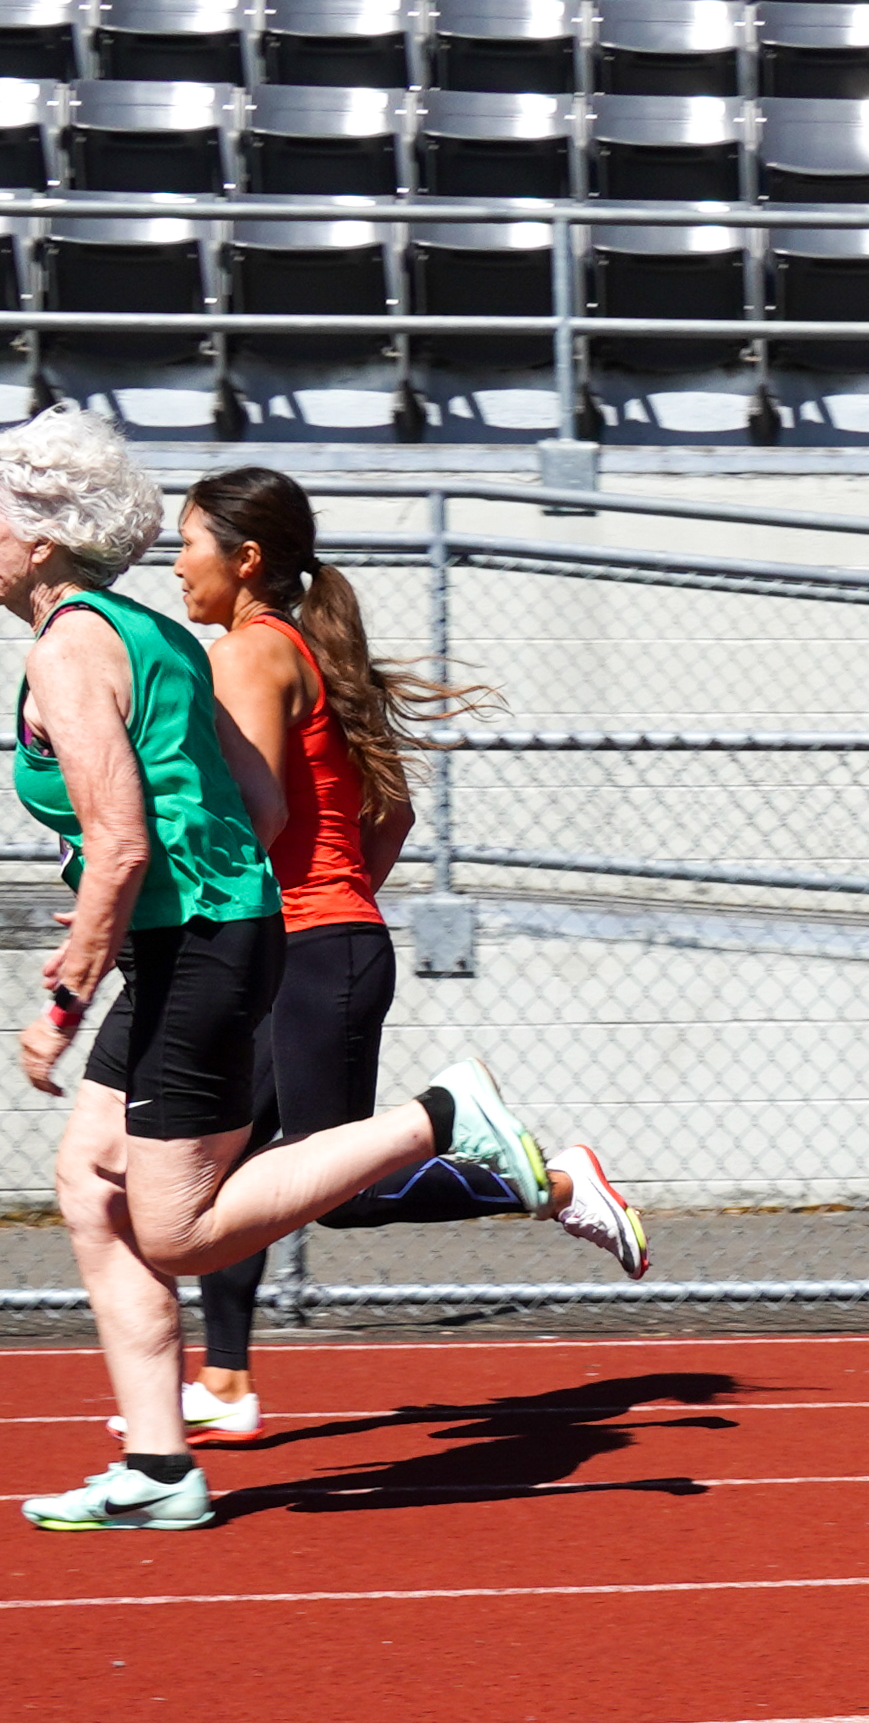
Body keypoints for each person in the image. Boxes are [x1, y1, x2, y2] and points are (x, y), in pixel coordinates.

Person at [0, 407, 560, 1533]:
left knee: (180, 1228)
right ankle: (157, 1466)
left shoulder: (70, 647)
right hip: (193, 932)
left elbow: (128, 837)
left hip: (199, 945)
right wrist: (124, 887)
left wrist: (61, 995)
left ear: (41, 536)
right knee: (91, 1184)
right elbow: (244, 808)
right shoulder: (149, 635)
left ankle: (441, 1119)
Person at [154, 466, 647, 1450]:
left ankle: (550, 1180)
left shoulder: (251, 654)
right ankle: (225, 1379)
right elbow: (393, 811)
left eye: (187, 544)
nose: (173, 566)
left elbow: (254, 818)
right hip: (313, 945)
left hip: (304, 952)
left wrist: (172, 895)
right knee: (227, 1171)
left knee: (338, 1192)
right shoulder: (291, 649)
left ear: (244, 560)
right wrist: (340, 906)